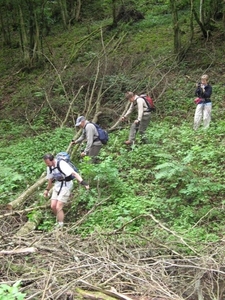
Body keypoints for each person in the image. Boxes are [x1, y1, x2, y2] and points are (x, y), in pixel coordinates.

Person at [43, 153, 89, 228]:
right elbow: (50, 180)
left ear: (52, 160)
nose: (47, 165)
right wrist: (47, 189)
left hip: (66, 185)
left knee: (58, 206)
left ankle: (60, 225)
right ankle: (59, 219)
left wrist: (83, 182)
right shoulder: (49, 167)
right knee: (53, 206)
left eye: (48, 163)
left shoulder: (62, 164)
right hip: (58, 185)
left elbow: (74, 173)